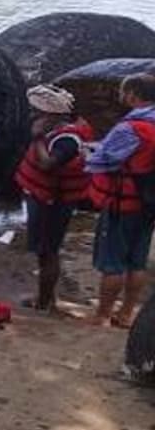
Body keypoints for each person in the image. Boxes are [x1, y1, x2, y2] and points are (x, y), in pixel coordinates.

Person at [14, 85, 95, 312]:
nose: (33, 116)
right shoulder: (62, 131)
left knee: (48, 251)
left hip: (52, 202)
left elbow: (48, 164)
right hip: (47, 197)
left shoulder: (67, 140)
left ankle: (44, 302)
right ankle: (46, 298)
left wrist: (37, 136)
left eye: (37, 112)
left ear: (51, 115)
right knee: (45, 250)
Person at [85, 73, 155, 328]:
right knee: (137, 261)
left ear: (134, 96)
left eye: (123, 92)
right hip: (148, 203)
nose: (120, 96)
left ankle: (102, 315)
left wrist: (88, 151)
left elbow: (103, 160)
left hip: (123, 204)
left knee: (112, 263)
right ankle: (126, 313)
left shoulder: (131, 127)